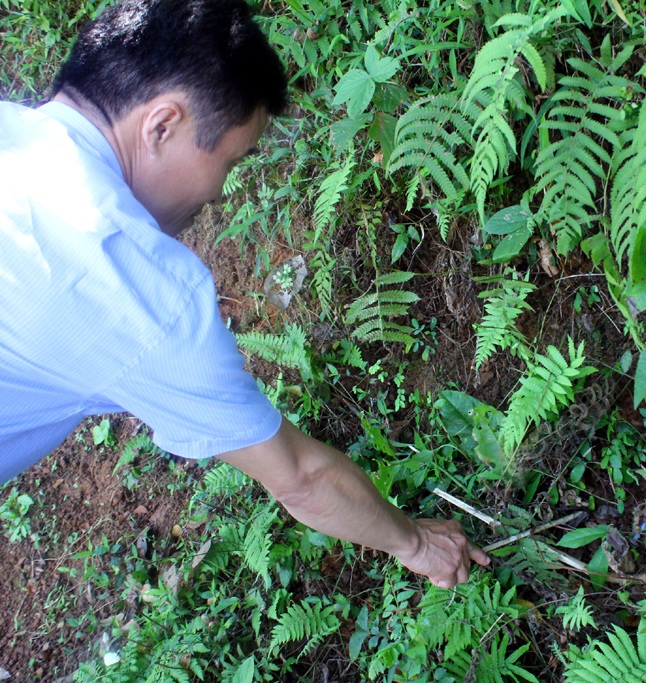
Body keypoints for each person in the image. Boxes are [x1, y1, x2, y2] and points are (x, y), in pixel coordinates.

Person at [0, 0, 488, 589]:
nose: (221, 193)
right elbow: (301, 478)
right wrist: (415, 544)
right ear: (162, 125)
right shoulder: (129, 283)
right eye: (228, 163)